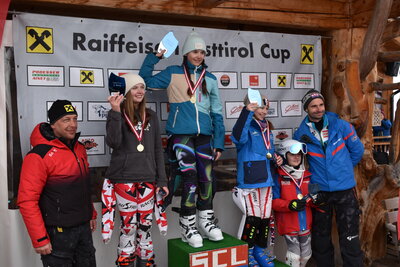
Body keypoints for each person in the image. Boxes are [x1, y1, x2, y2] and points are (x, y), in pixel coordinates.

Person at [139, 31, 225, 248]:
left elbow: (217, 113)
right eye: (195, 51)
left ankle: (206, 220)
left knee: (207, 177)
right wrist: (155, 56)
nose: (199, 55)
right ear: (186, 53)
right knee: (190, 176)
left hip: (205, 136)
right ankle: (188, 224)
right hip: (180, 135)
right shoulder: (173, 73)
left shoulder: (211, 79)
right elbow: (145, 79)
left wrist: (219, 142)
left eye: (202, 52)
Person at [17, 100, 97, 267]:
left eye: (75, 119)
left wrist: (91, 213)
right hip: (57, 235)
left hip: (83, 230)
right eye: (66, 120)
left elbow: (82, 186)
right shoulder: (38, 155)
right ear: (53, 124)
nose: (73, 124)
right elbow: (27, 200)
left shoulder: (80, 148)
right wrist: (39, 238)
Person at [103, 73, 169, 267]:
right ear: (126, 91)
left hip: (148, 179)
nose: (139, 91)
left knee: (146, 227)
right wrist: (115, 111)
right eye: (134, 87)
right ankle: (125, 263)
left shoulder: (151, 115)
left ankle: (146, 263)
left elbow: (158, 149)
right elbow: (114, 142)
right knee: (129, 228)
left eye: (141, 87)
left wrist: (162, 180)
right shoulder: (116, 114)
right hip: (124, 179)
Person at [293, 89, 365, 267]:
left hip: (345, 189)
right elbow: (299, 162)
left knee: (350, 236)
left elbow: (358, 151)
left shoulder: (341, 126)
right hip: (319, 190)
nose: (318, 109)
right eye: (313, 106)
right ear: (306, 109)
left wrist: (343, 169)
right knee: (321, 238)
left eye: (320, 105)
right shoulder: (301, 133)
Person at [231, 94, 283, 267]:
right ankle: (246, 252)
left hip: (266, 180)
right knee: (252, 218)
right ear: (250, 107)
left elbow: (269, 151)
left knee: (265, 218)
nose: (264, 111)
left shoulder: (267, 127)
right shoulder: (246, 125)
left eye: (266, 108)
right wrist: (246, 113)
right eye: (260, 107)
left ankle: (259, 250)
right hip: (250, 181)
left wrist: (277, 158)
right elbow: (238, 138)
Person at [272, 139, 312, 267]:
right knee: (294, 257)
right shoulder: (278, 175)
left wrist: (318, 200)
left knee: (306, 255)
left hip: (305, 223)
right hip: (289, 223)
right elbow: (273, 202)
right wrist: (289, 205)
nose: (296, 157)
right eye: (292, 154)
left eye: (299, 155)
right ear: (284, 156)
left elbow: (311, 199)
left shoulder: (307, 175)